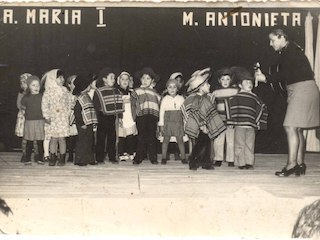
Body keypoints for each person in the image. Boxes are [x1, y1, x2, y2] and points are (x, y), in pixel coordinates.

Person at [255, 28, 320, 176]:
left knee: (290, 127)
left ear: (281, 37)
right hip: (304, 89)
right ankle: (299, 164)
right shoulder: (291, 50)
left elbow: (285, 73)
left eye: (273, 40)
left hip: (301, 89)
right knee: (297, 128)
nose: (271, 44)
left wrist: (265, 79)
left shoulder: (289, 51)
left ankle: (291, 165)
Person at [181, 68, 226, 170]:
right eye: (206, 84)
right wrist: (202, 126)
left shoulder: (206, 98)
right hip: (200, 127)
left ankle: (205, 163)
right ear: (200, 88)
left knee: (206, 145)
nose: (209, 85)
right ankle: (193, 161)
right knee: (200, 145)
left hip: (204, 126)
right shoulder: (198, 99)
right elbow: (197, 114)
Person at [225, 67, 268, 170]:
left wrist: (258, 122)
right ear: (240, 85)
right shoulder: (236, 97)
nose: (250, 84)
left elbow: (262, 107)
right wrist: (231, 121)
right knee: (239, 144)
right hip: (240, 125)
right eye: (247, 82)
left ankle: (249, 162)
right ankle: (241, 163)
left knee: (250, 144)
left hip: (251, 126)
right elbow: (229, 106)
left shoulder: (255, 97)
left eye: (251, 82)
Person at [93, 67, 124, 164]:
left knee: (112, 137)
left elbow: (119, 103)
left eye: (114, 78)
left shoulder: (116, 91)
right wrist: (95, 118)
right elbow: (95, 106)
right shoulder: (98, 91)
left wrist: (120, 117)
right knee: (101, 138)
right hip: (102, 117)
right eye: (111, 78)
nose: (113, 80)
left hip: (112, 118)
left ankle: (112, 157)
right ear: (104, 79)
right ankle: (99, 158)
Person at [131, 67, 161, 165]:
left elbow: (159, 105)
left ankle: (153, 157)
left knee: (152, 137)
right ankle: (138, 157)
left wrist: (159, 119)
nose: (145, 80)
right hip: (141, 116)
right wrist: (134, 117)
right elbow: (133, 105)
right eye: (143, 78)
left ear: (152, 81)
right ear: (140, 79)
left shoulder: (156, 94)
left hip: (152, 117)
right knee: (141, 137)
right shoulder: (136, 91)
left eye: (148, 78)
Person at [42, 69, 72, 166]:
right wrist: (46, 116)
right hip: (53, 118)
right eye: (59, 77)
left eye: (63, 77)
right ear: (53, 78)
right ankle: (52, 157)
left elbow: (69, 102)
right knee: (53, 139)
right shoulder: (48, 92)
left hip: (62, 118)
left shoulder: (65, 90)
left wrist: (67, 113)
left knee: (62, 139)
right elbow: (44, 104)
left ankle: (62, 157)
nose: (62, 79)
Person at [211, 68, 239, 167]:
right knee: (218, 140)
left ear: (231, 80)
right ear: (219, 80)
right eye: (223, 79)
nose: (225, 81)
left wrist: (235, 119)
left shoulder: (235, 91)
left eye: (228, 79)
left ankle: (231, 159)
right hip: (219, 119)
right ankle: (218, 158)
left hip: (231, 119)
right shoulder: (216, 92)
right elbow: (212, 105)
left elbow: (237, 106)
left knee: (231, 140)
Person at [159, 78, 186, 164]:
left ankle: (183, 157)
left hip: (178, 122)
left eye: (174, 87)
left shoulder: (181, 99)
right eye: (170, 87)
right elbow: (161, 112)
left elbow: (184, 112)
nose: (172, 89)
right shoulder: (165, 99)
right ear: (167, 89)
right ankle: (163, 157)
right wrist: (161, 124)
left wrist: (185, 123)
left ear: (177, 89)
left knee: (180, 140)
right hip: (168, 122)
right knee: (166, 139)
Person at [72, 76, 98, 166]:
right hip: (82, 124)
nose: (90, 86)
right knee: (82, 142)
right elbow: (77, 112)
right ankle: (80, 160)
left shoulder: (87, 96)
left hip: (89, 123)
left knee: (90, 141)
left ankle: (90, 159)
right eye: (88, 85)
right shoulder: (80, 98)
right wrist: (81, 123)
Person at [20, 75, 45, 165]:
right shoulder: (26, 98)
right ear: (28, 86)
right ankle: (27, 159)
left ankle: (40, 158)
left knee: (40, 141)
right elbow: (22, 109)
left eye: (37, 85)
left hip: (40, 121)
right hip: (29, 122)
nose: (36, 87)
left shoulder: (42, 97)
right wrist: (26, 115)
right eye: (33, 85)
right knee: (29, 141)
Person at [15, 73, 38, 163]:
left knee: (35, 137)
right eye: (22, 83)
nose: (23, 85)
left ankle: (37, 154)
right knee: (25, 137)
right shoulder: (21, 94)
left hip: (33, 117)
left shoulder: (35, 93)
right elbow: (18, 105)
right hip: (24, 117)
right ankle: (24, 155)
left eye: (25, 82)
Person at [117, 72, 137, 162]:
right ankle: (121, 153)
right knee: (121, 136)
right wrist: (119, 117)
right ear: (119, 81)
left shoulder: (132, 92)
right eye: (122, 79)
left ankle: (131, 152)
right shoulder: (117, 92)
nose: (125, 81)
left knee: (130, 135)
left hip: (130, 116)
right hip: (122, 116)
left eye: (126, 79)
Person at [65, 75, 78, 163]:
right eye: (74, 82)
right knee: (70, 139)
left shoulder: (79, 95)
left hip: (77, 118)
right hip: (69, 117)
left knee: (77, 138)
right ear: (69, 85)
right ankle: (70, 155)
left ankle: (77, 155)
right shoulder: (67, 95)